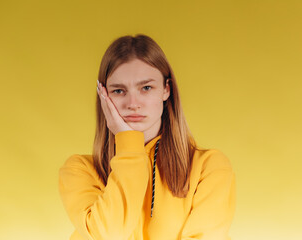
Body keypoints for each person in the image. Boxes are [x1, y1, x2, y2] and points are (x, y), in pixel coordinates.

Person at [58, 34, 236, 240]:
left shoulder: (209, 167)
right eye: (118, 91)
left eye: (146, 88)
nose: (133, 103)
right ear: (104, 97)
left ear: (166, 89)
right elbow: (108, 235)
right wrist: (128, 143)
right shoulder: (80, 171)